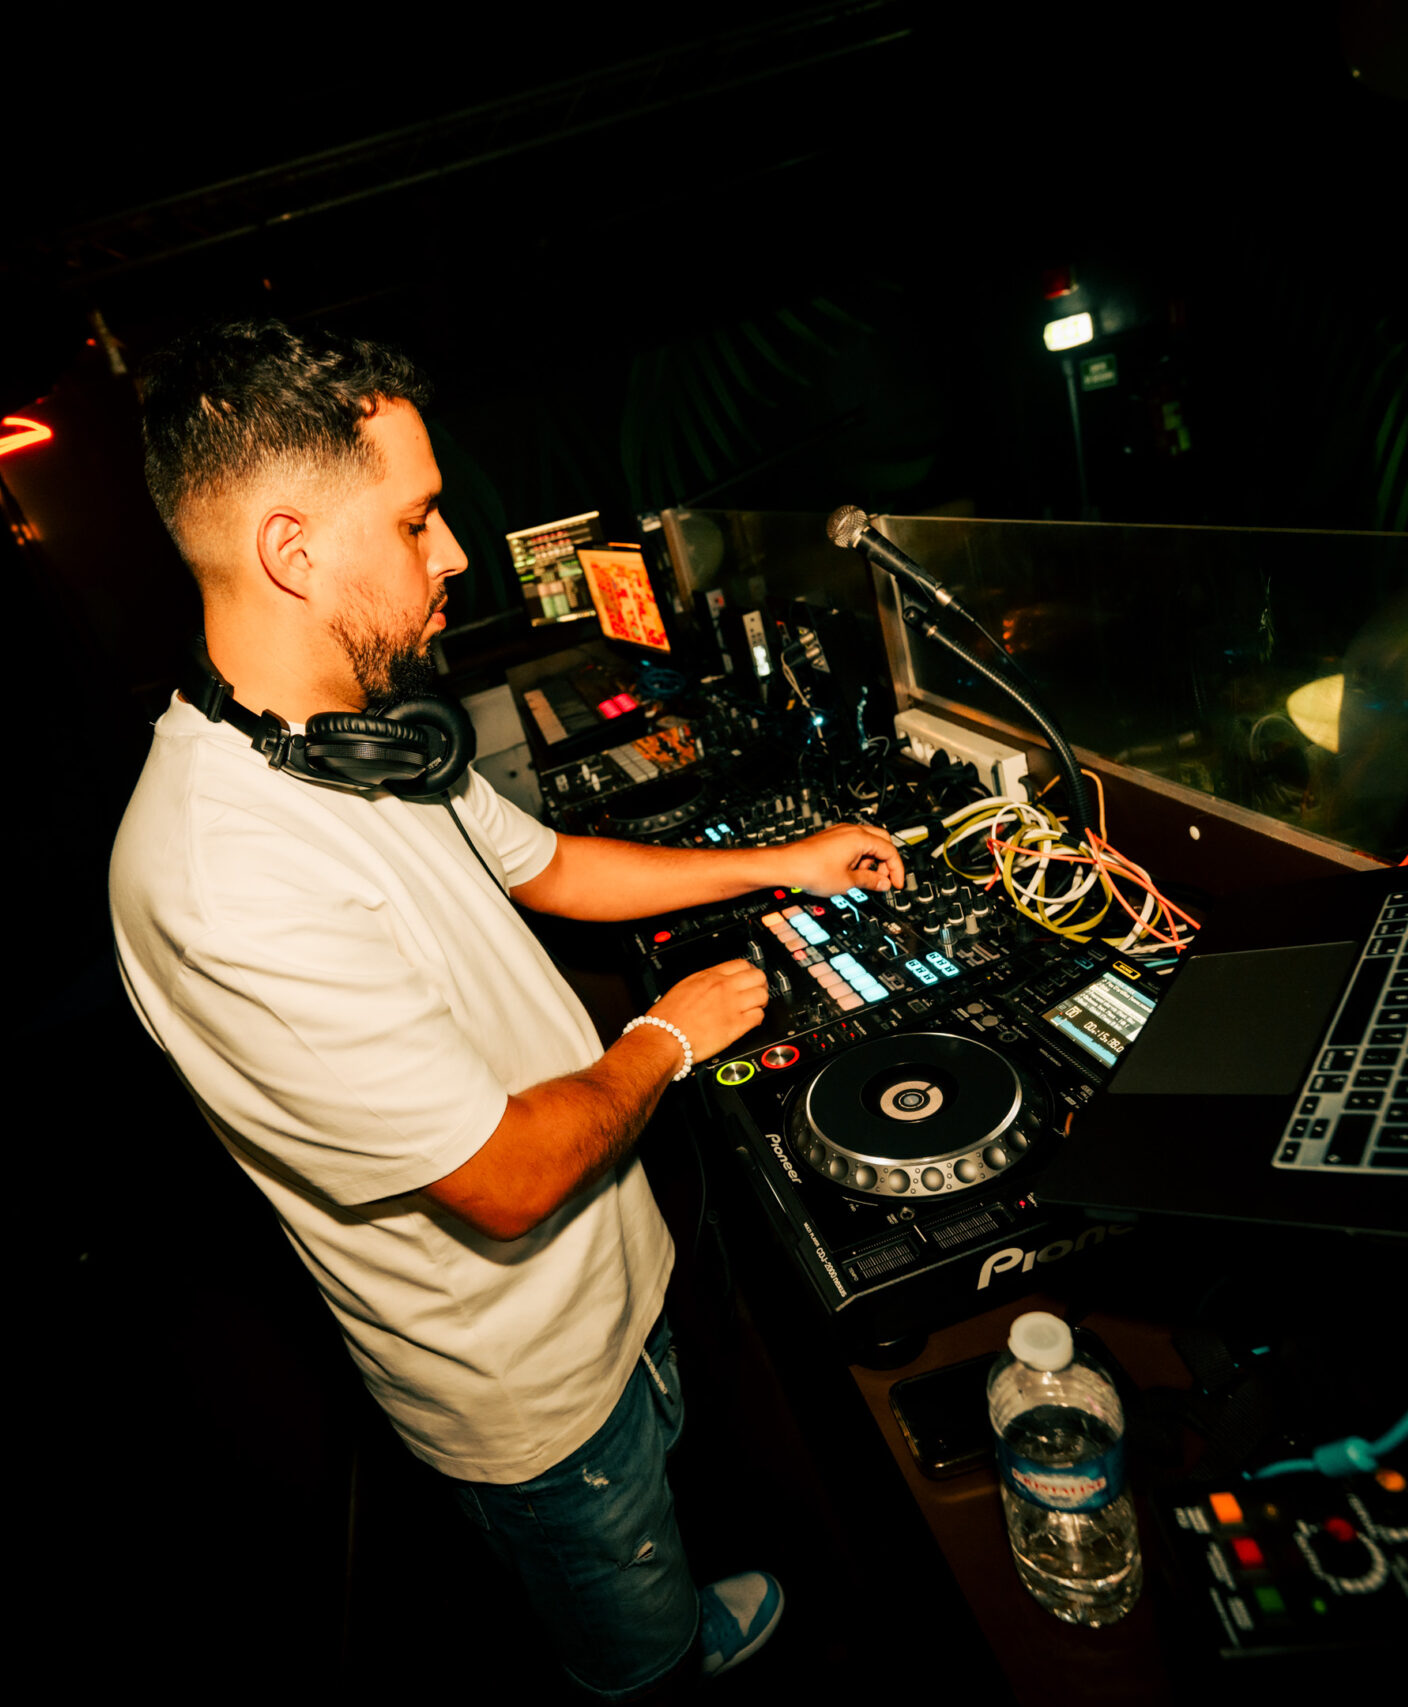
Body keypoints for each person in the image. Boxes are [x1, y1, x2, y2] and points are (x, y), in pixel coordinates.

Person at [109, 319, 902, 1701]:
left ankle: (682, 1620)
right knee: (630, 1642)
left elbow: (554, 868)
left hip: (612, 1282)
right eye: (417, 520)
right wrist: (670, 1034)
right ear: (294, 551)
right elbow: (504, 1177)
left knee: (670, 1498)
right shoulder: (219, 876)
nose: (458, 553)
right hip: (531, 1397)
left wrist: (783, 859)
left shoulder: (364, 739)